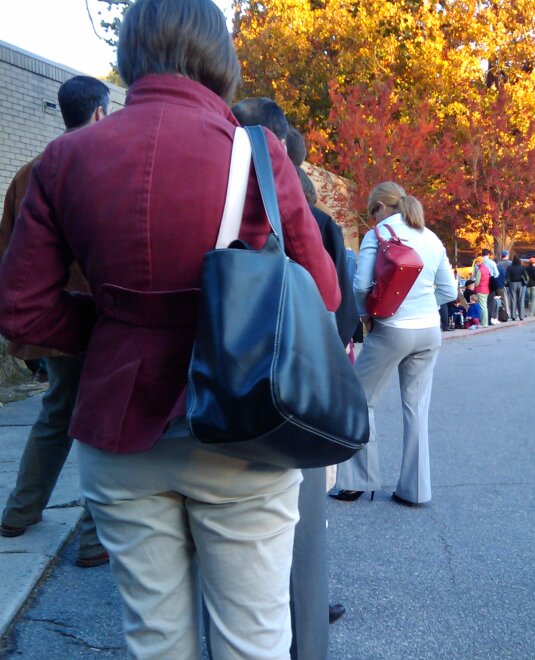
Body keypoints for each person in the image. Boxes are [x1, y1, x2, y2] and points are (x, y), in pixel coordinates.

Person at [0, 1, 342, 657]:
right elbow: (321, 291)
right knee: (255, 639)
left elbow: (21, 312)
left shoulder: (64, 158)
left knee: (155, 640)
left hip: (117, 426)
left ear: (130, 54)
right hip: (242, 429)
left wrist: (113, 329)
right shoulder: (257, 156)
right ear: (220, 56)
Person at [231, 96, 356, 657]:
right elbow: (338, 303)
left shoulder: (234, 191)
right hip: (298, 386)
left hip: (237, 387)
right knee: (303, 527)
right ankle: (307, 633)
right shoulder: (315, 216)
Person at [0, 76, 109, 568]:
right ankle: (92, 539)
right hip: (96, 316)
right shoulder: (103, 165)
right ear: (101, 113)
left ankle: (20, 511)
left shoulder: (26, 171)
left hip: (47, 319)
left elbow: (7, 251)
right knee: (104, 423)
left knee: (56, 411)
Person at [333, 182, 457, 506]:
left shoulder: (378, 234)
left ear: (380, 208)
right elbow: (449, 290)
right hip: (430, 330)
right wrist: (422, 304)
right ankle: (415, 490)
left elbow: (360, 285)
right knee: (417, 409)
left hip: (392, 328)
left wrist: (371, 312)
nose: (372, 219)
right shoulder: (431, 237)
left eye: (372, 212)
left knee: (359, 398)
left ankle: (356, 481)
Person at [505, 254, 527, 321]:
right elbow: (526, 276)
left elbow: (507, 277)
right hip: (520, 284)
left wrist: (507, 283)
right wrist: (525, 282)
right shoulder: (522, 267)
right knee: (521, 299)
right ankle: (521, 316)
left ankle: (513, 316)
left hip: (512, 284)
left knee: (513, 299)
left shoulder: (510, 267)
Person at [472, 255, 490, 327]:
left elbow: (477, 282)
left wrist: (474, 286)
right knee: (485, 306)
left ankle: (484, 323)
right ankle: (485, 322)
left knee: (482, 307)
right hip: (486, 289)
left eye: (477, 262)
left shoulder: (480, 270)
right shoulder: (486, 269)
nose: (476, 263)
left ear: (480, 262)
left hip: (480, 290)